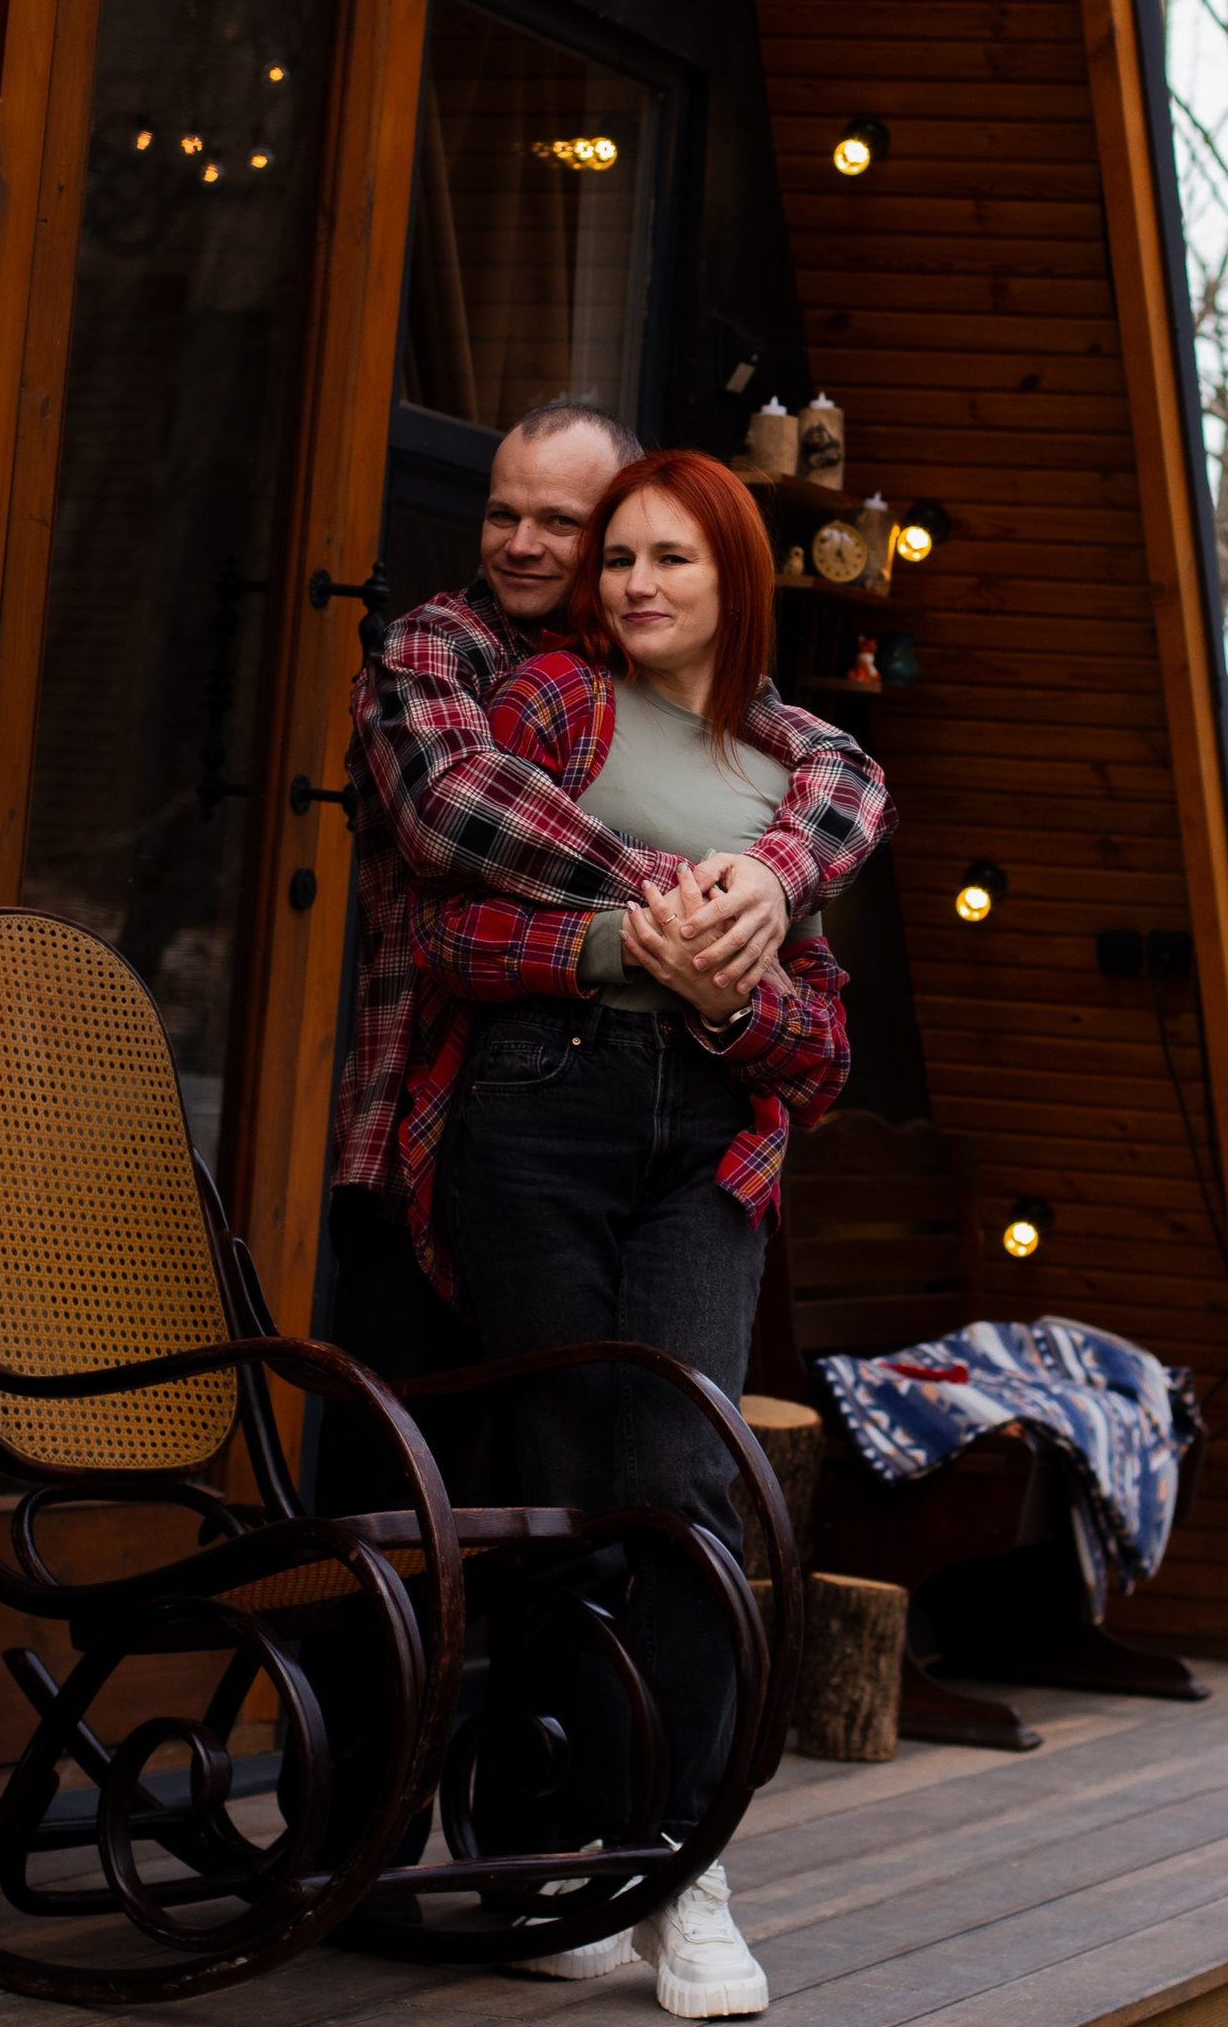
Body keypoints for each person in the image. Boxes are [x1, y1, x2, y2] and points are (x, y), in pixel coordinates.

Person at [404, 447, 848, 2018]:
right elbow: (443, 924)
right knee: (556, 1487)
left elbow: (823, 1047)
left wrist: (731, 999)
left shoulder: (795, 776)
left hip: (710, 1141)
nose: (635, 585)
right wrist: (625, 944)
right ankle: (546, 1851)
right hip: (543, 1105)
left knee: (683, 1481)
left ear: (737, 578)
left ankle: (682, 1864)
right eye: (619, 560)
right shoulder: (548, 707)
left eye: (672, 558)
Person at [327, 404, 891, 1426]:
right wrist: (687, 902)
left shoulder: (672, 675)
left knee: (612, 1450)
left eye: (562, 522)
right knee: (417, 1456)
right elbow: (453, 810)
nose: (522, 543)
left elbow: (839, 766)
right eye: (502, 514)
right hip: (423, 1100)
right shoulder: (440, 648)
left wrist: (772, 878)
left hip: (654, 1107)